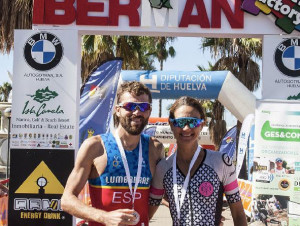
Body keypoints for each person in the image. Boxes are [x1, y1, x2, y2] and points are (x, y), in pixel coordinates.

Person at [61, 81, 165, 226]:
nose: (137, 112)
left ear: (149, 111)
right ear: (117, 110)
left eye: (143, 107)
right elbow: (66, 200)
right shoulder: (95, 146)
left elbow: (158, 195)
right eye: (130, 106)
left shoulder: (155, 148)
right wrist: (105, 217)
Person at [148, 96, 247, 226]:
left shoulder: (221, 162)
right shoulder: (163, 167)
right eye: (180, 122)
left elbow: (238, 214)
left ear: (202, 124)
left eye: (193, 122)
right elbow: (147, 214)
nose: (187, 128)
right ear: (171, 124)